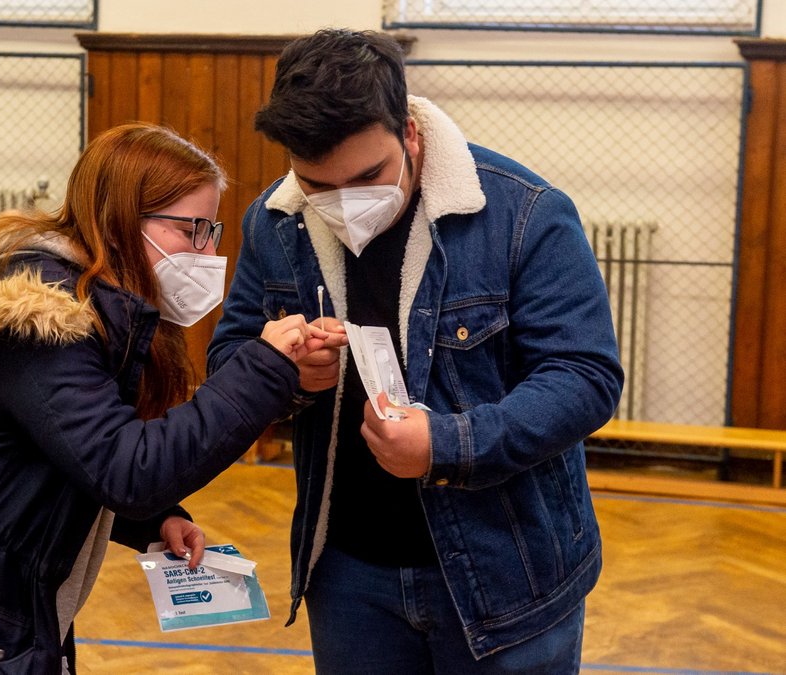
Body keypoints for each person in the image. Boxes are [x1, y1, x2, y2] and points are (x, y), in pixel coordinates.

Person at [0, 122, 333, 674]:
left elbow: (75, 450)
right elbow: (127, 469)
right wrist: (264, 367)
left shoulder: (92, 311)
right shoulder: (44, 318)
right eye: (193, 229)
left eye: (213, 230)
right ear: (122, 220)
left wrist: (151, 521)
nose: (206, 250)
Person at [208, 29, 625, 673]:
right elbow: (230, 355)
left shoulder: (524, 213)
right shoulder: (275, 219)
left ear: (408, 130)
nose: (344, 202)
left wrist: (448, 445)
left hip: (505, 574)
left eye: (369, 175)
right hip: (349, 576)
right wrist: (287, 374)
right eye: (317, 183)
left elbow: (585, 377)